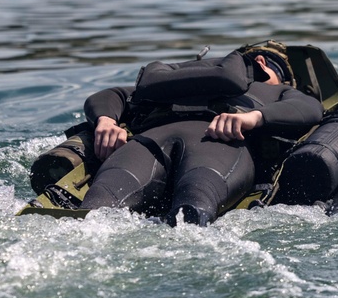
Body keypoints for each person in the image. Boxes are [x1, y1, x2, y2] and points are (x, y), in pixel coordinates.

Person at [80, 40, 323, 227]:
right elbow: (310, 109)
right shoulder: (277, 91)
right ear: (260, 62)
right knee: (192, 216)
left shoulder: (172, 85)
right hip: (217, 146)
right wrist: (254, 116)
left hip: (147, 142)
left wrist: (106, 120)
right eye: (282, 76)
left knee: (92, 214)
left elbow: (111, 95)